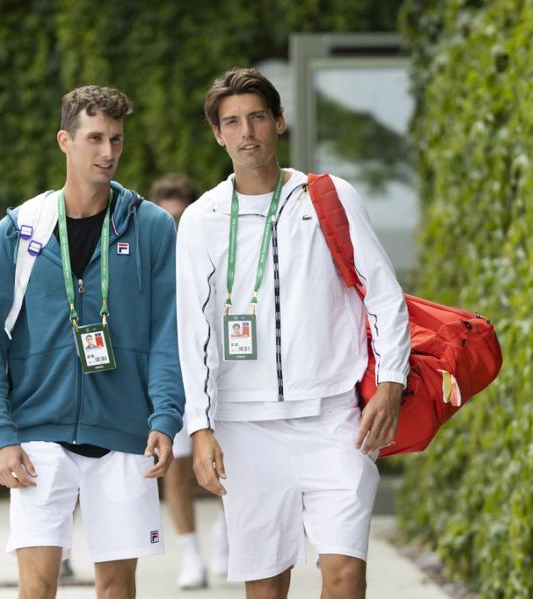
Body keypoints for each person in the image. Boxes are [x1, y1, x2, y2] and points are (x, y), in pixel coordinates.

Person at [176, 68, 411, 598]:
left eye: (257, 117)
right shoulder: (201, 218)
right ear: (218, 134)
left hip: (334, 419)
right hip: (245, 426)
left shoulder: (328, 197)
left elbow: (384, 293)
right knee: (265, 586)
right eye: (231, 122)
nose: (246, 132)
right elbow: (192, 332)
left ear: (279, 121)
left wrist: (392, 380)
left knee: (346, 574)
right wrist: (200, 426)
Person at [0, 85, 184, 599]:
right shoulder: (20, 230)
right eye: (94, 138)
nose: (107, 152)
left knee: (116, 587)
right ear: (65, 140)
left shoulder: (151, 226)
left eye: (116, 139)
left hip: (125, 431)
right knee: (37, 587)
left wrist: (165, 417)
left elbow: (168, 333)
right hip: (38, 431)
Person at [150, 172, 229, 589]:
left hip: (219, 371)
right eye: (167, 219)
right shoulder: (147, 255)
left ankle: (224, 534)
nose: (174, 227)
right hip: (171, 375)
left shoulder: (214, 242)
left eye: (180, 218)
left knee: (226, 464)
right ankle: (191, 556)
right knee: (176, 469)